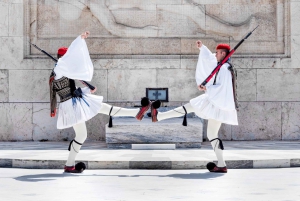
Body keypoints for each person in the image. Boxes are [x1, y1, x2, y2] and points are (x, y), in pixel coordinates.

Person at [50, 31, 153, 173]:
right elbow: (72, 56)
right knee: (97, 116)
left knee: (86, 129)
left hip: (73, 102)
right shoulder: (61, 66)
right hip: (72, 104)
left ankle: (69, 164)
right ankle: (137, 112)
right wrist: (79, 39)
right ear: (64, 57)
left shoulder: (60, 69)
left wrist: (86, 89)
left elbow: (66, 87)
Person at [151, 40, 238, 173]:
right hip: (218, 104)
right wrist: (202, 48)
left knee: (191, 106)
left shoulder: (225, 69)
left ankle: (160, 116)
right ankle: (222, 165)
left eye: (217, 53)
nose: (215, 55)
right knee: (212, 134)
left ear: (222, 53)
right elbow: (209, 59)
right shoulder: (222, 66)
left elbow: (222, 89)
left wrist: (206, 87)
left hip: (216, 103)